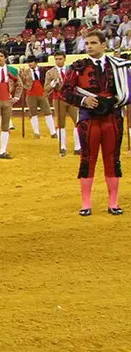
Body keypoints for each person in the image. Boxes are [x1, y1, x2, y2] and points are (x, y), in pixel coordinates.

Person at [61, 30, 127, 216]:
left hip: (112, 117)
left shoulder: (117, 66)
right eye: (87, 43)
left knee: (112, 159)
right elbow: (64, 92)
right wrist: (84, 101)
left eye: (93, 43)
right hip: (88, 119)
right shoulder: (78, 67)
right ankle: (86, 203)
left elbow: (127, 92)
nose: (89, 46)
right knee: (87, 159)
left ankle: (113, 203)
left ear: (104, 45)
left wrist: (114, 101)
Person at [44, 49, 80, 156]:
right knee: (61, 124)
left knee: (78, 122)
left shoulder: (72, 70)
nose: (58, 61)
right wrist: (52, 84)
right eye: (56, 59)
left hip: (72, 99)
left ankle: (78, 147)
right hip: (58, 99)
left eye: (60, 59)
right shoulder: (50, 73)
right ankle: (63, 147)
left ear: (65, 59)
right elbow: (46, 88)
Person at [22, 56, 53, 139]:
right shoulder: (25, 72)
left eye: (31, 62)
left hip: (42, 94)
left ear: (36, 62)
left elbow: (48, 81)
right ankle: (36, 133)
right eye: (28, 62)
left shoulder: (43, 70)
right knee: (33, 114)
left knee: (48, 112)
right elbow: (21, 82)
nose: (29, 64)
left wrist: (48, 91)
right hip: (30, 94)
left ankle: (53, 132)